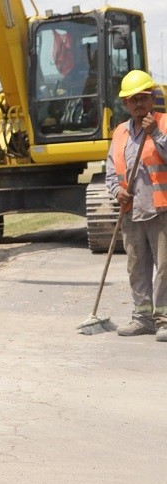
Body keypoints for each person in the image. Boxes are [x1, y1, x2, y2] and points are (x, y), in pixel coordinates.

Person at [105, 68, 167, 340]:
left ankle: (164, 319)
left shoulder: (164, 124)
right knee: (136, 266)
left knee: (165, 267)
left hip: (161, 209)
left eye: (143, 97)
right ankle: (142, 317)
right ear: (125, 104)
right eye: (133, 99)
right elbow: (110, 170)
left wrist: (156, 136)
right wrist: (117, 190)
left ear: (152, 98)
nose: (139, 103)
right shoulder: (120, 132)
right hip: (132, 212)